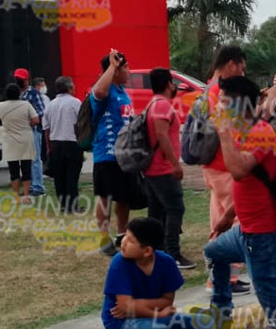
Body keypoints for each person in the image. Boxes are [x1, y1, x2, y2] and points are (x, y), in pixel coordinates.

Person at [203, 75, 276, 329]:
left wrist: (224, 131)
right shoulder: (246, 132)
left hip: (266, 236)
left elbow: (240, 170)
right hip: (246, 231)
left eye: (225, 103)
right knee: (213, 251)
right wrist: (229, 216)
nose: (220, 108)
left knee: (273, 305)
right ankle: (222, 314)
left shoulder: (259, 133)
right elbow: (248, 183)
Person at [201, 46, 252, 294]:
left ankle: (221, 277)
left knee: (220, 221)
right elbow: (230, 128)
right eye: (241, 67)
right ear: (231, 64)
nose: (242, 73)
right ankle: (225, 278)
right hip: (224, 165)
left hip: (213, 165)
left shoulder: (207, 90)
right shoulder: (219, 92)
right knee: (237, 220)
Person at [142, 68, 195, 270]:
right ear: (169, 84)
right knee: (175, 208)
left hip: (152, 168)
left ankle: (156, 250)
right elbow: (162, 135)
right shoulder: (162, 105)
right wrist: (175, 163)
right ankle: (173, 253)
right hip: (163, 168)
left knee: (156, 211)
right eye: (173, 83)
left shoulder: (152, 103)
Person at [90, 51, 138, 255]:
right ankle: (103, 238)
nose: (129, 71)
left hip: (124, 156)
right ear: (116, 70)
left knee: (124, 197)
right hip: (107, 155)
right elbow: (98, 93)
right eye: (125, 67)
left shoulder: (121, 91)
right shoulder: (104, 88)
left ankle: (121, 234)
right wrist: (111, 66)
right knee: (105, 198)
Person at [42, 76, 83, 213]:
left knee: (59, 176)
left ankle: (63, 205)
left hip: (55, 143)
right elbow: (82, 124)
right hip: (72, 142)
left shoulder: (50, 105)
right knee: (72, 176)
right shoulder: (76, 103)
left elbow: (46, 129)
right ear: (70, 88)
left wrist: (48, 148)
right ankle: (73, 205)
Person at [0, 83, 40, 204]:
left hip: (9, 139)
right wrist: (27, 125)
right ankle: (26, 196)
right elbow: (36, 119)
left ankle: (16, 196)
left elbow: (1, 118)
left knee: (13, 169)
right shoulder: (26, 105)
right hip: (25, 138)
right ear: (19, 93)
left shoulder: (0, 105)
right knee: (26, 168)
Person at [14, 67, 47, 197]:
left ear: (27, 80)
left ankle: (38, 186)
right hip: (20, 130)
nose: (18, 82)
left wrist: (30, 118)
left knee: (35, 158)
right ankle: (30, 185)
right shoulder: (15, 94)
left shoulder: (33, 93)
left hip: (32, 130)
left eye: (20, 80)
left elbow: (41, 110)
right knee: (25, 159)